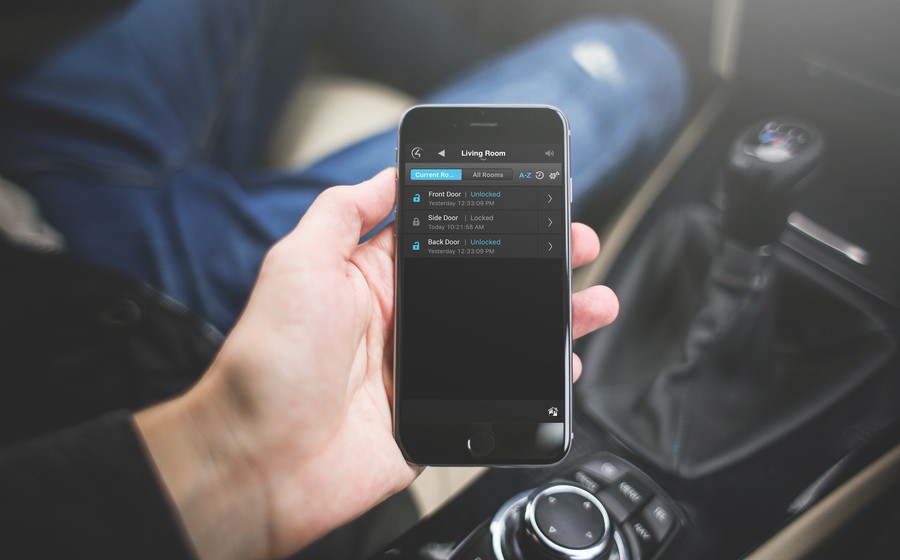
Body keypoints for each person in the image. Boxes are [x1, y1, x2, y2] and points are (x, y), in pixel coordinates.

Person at [0, 0, 686, 558]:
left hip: (23, 184)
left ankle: (484, 89)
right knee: (637, 59)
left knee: (522, 133)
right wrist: (234, 452)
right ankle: (496, 93)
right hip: (137, 324)